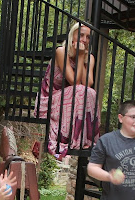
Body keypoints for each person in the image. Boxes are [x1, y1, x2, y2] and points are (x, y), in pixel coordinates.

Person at [35, 22, 100, 158]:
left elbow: (87, 83)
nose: (84, 39)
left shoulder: (90, 58)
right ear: (72, 35)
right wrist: (80, 56)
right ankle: (73, 139)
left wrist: (83, 57)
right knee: (80, 90)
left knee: (91, 93)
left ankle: (86, 139)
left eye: (88, 37)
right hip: (50, 98)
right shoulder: (61, 51)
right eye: (81, 35)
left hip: (72, 99)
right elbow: (74, 81)